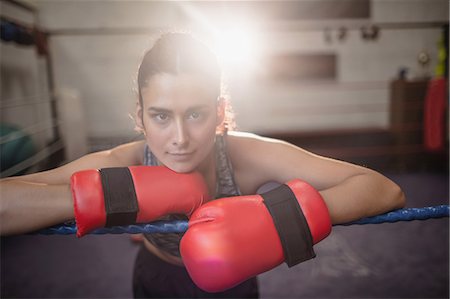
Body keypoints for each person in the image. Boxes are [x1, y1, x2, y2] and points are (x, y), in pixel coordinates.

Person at [0, 32, 406, 298]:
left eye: (195, 114)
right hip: (157, 281)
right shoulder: (121, 162)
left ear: (220, 113)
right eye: (161, 116)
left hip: (237, 286)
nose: (179, 138)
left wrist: (276, 222)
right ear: (139, 117)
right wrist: (110, 194)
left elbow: (383, 188)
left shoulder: (245, 155)